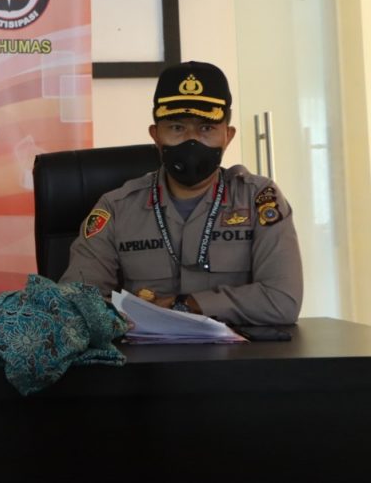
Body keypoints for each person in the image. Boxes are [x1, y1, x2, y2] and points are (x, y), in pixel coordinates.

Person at [60, 61, 303, 326]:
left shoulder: (258, 199)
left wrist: (187, 305)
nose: (191, 141)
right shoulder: (116, 208)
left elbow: (282, 301)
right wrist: (122, 318)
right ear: (155, 135)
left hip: (238, 351)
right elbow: (75, 301)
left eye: (206, 128)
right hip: (144, 350)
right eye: (177, 127)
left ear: (228, 135)